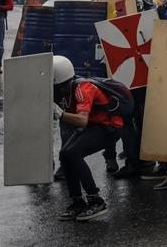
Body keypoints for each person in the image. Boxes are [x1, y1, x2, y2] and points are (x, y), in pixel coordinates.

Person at [53, 55, 126, 221]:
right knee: (65, 154)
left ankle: (96, 200)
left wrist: (60, 114)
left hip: (110, 127)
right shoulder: (63, 88)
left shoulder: (83, 89)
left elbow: (82, 120)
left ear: (60, 83)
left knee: (73, 153)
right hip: (94, 125)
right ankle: (77, 201)